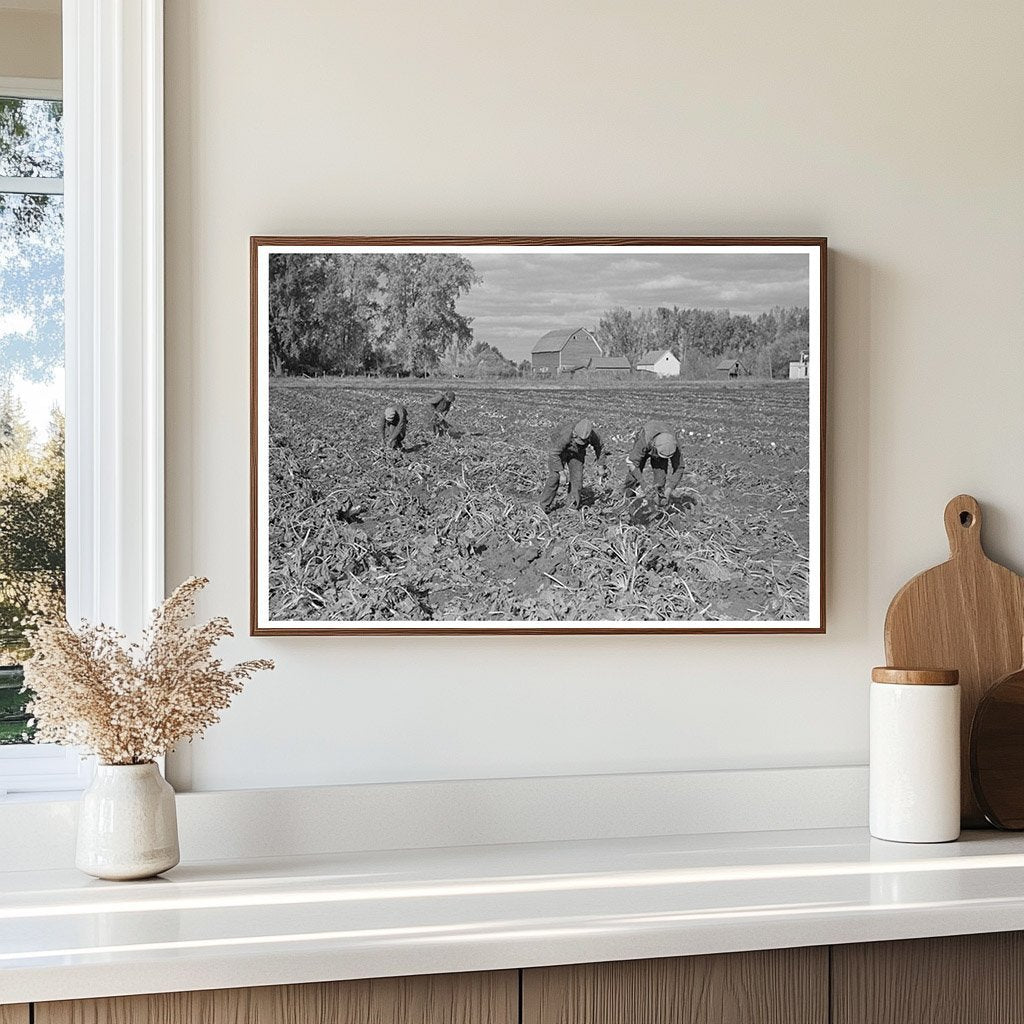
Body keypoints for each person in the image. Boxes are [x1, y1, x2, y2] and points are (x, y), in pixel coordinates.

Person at [540, 418, 607, 512]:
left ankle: (572, 507)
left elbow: (600, 447)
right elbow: (554, 453)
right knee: (554, 477)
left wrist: (600, 466)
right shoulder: (566, 434)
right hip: (559, 452)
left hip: (577, 453)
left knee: (577, 480)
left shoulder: (593, 434)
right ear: (575, 434)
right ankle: (543, 507)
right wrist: (562, 473)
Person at [624, 421, 683, 504]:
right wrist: (643, 484)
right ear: (654, 446)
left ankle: (656, 504)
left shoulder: (673, 444)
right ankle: (627, 499)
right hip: (648, 438)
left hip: (662, 445)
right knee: (633, 476)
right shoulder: (644, 440)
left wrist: (669, 489)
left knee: (660, 480)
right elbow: (632, 462)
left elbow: (679, 467)